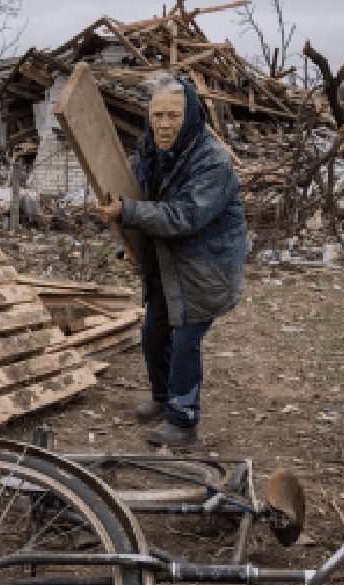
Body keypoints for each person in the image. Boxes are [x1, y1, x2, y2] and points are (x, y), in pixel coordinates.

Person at [98, 75, 246, 447]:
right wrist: (127, 246)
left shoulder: (213, 161)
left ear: (191, 114)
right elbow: (135, 199)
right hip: (169, 265)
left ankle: (184, 419)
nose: (164, 124)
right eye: (158, 114)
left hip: (206, 268)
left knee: (184, 343)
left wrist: (127, 212)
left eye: (174, 115)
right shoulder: (149, 152)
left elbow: (184, 217)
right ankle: (163, 398)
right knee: (153, 334)